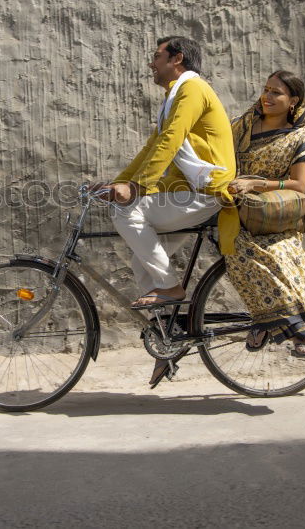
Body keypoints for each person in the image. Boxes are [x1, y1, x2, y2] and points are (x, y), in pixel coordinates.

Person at [95, 36, 240, 384]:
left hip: (206, 189)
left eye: (156, 56)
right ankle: (169, 340)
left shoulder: (192, 90)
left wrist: (136, 188)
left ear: (176, 58)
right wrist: (115, 183)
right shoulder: (174, 95)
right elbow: (152, 147)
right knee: (141, 260)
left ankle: (172, 288)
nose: (151, 64)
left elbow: (170, 139)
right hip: (185, 189)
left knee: (126, 213)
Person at [225, 70, 305, 358]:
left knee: (284, 259)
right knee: (239, 250)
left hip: (274, 215)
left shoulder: (296, 138)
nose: (267, 96)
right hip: (237, 208)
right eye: (266, 90)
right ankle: (264, 319)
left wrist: (257, 183)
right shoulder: (243, 125)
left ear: (293, 101)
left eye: (276, 92)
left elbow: (299, 184)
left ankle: (299, 336)